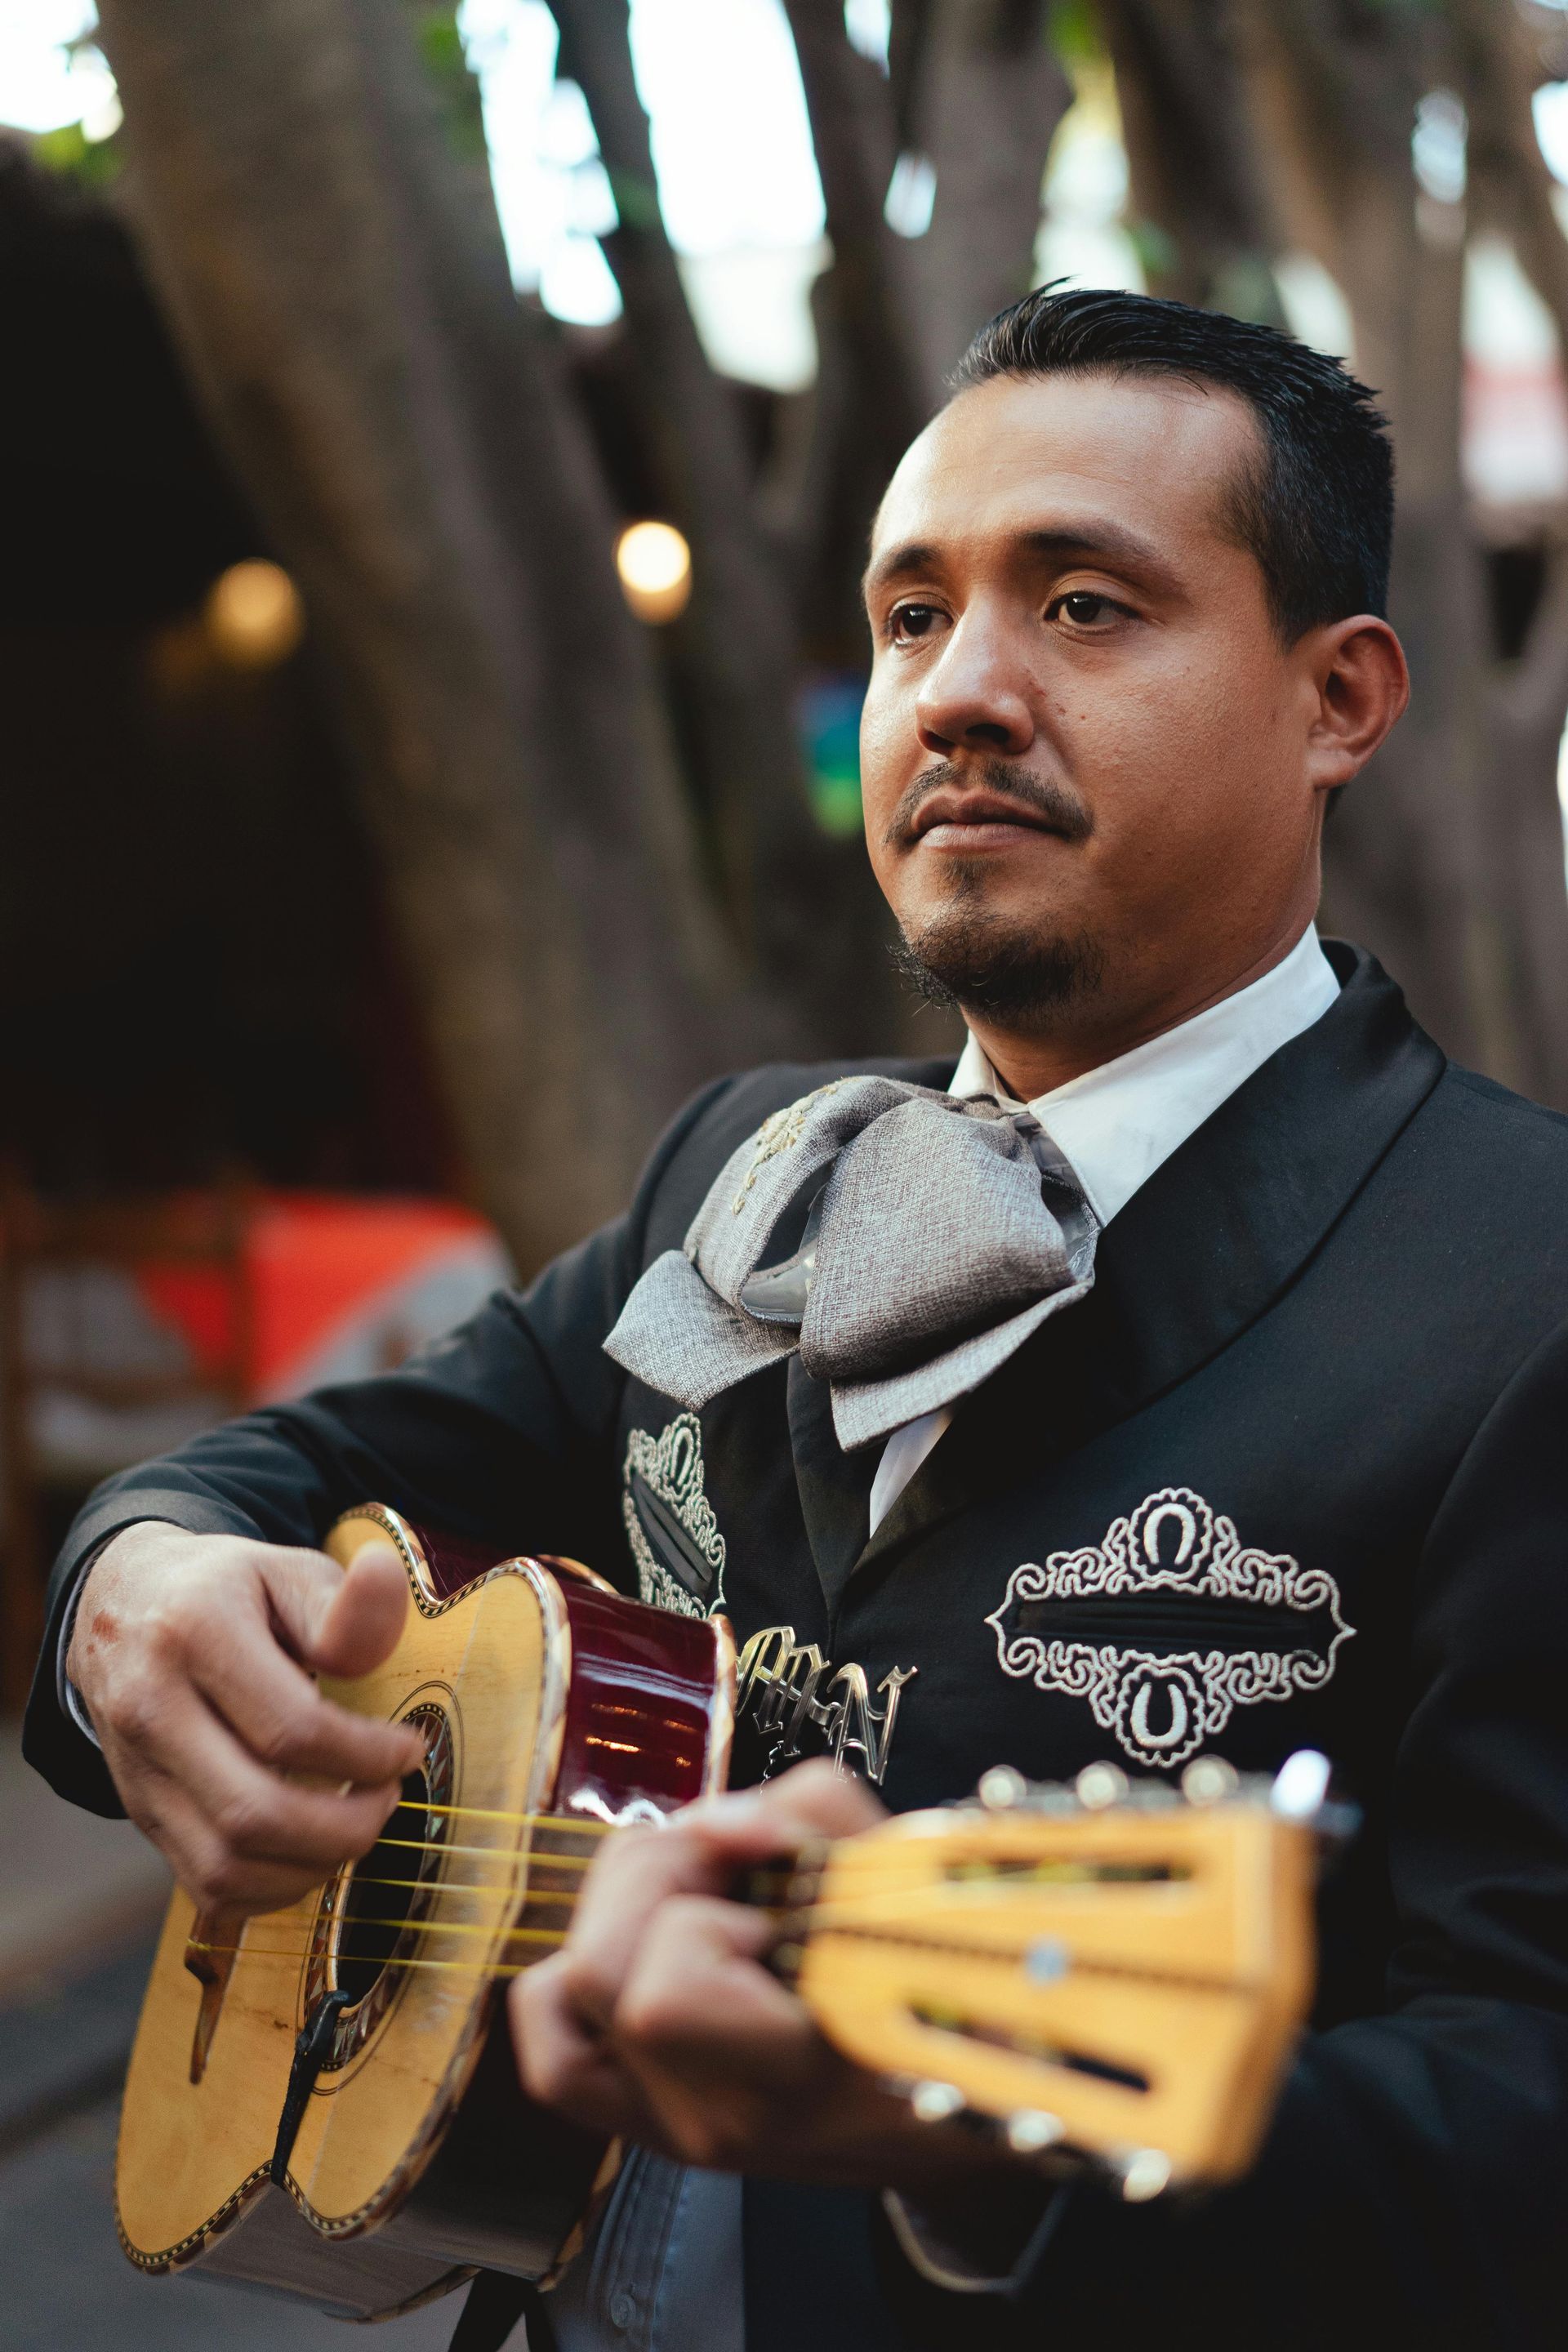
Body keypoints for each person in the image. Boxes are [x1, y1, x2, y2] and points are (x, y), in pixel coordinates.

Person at [25, 287, 1568, 2352]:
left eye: (1088, 607)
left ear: (1341, 698)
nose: (959, 694)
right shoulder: (743, 1170)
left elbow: (1528, 2109)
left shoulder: (1527, 1285)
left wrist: (985, 2147)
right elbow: (306, 1473)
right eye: (911, 616)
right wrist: (129, 1586)